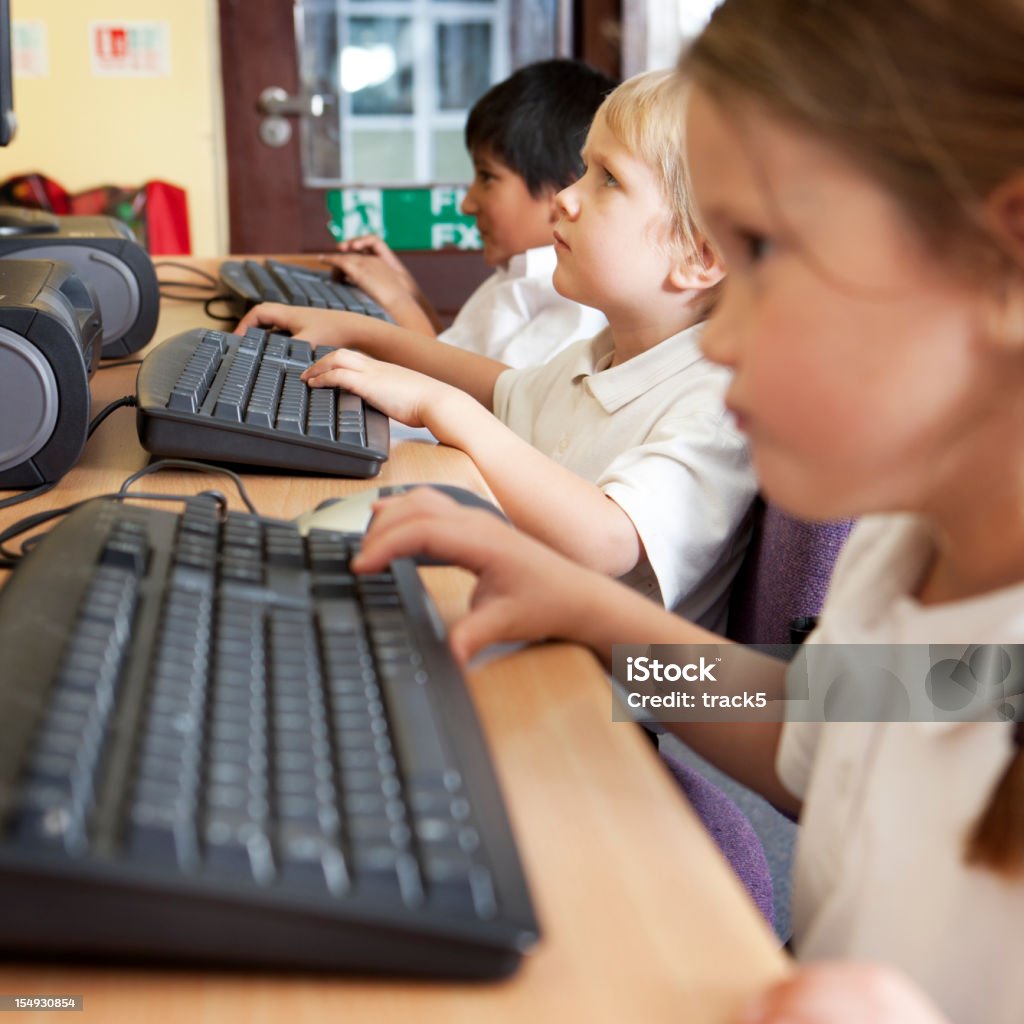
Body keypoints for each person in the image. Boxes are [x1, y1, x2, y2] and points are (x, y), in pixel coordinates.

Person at [340, 1, 1024, 1022]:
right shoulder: (908, 544)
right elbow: (812, 737)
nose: (712, 341)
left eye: (761, 254)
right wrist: (595, 617)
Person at [239, 70, 756, 628]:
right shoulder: (607, 351)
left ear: (699, 258)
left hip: (616, 699)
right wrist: (363, 333)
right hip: (539, 630)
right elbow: (501, 389)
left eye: (608, 179)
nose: (565, 197)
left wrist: (440, 406)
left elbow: (609, 539)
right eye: (584, 169)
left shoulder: (720, 401)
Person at [326, 59, 612, 366]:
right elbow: (460, 359)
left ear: (561, 193)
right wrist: (409, 292)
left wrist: (396, 300)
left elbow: (476, 403)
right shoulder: (515, 273)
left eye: (487, 177)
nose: (467, 204)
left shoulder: (573, 307)